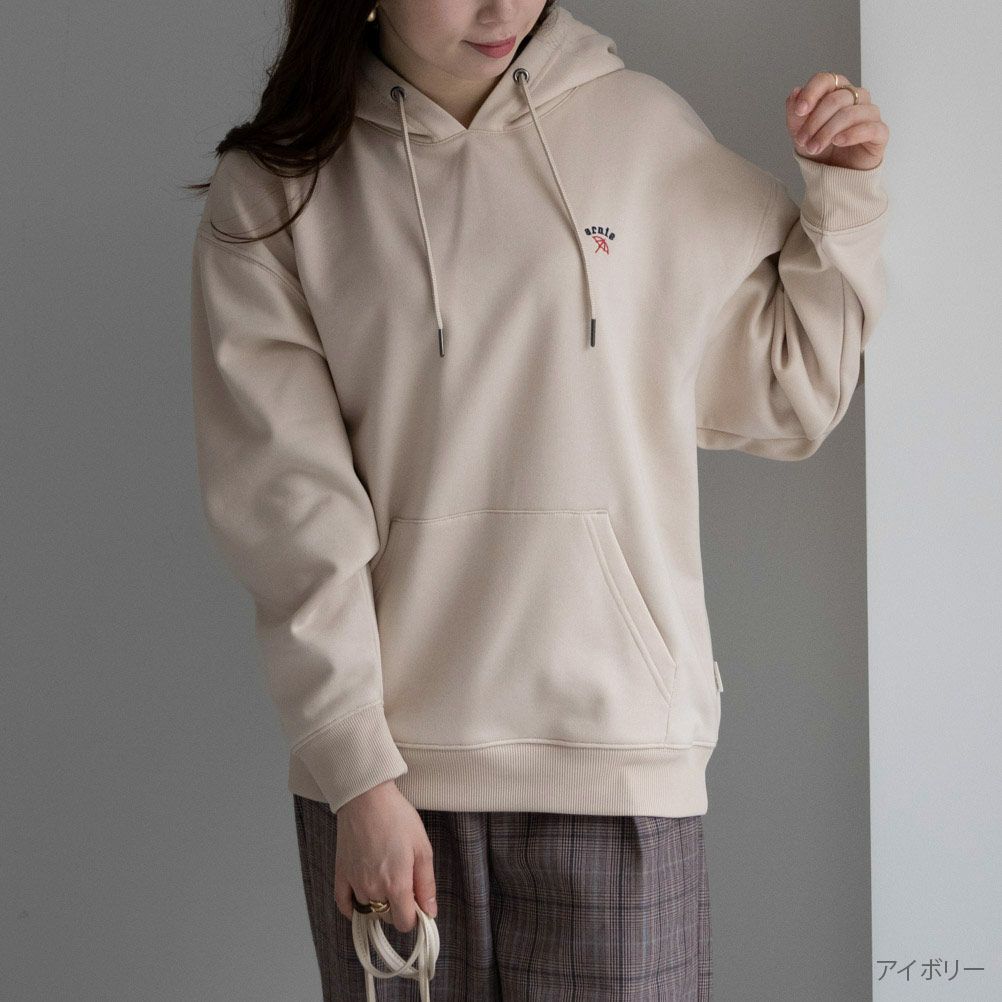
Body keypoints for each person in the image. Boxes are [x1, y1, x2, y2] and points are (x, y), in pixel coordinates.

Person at [187, 1, 890, 998]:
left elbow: (791, 391)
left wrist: (844, 196)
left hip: (617, 763)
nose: (503, 8)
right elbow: (287, 512)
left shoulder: (640, 132)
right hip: (386, 789)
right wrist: (359, 777)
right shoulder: (275, 192)